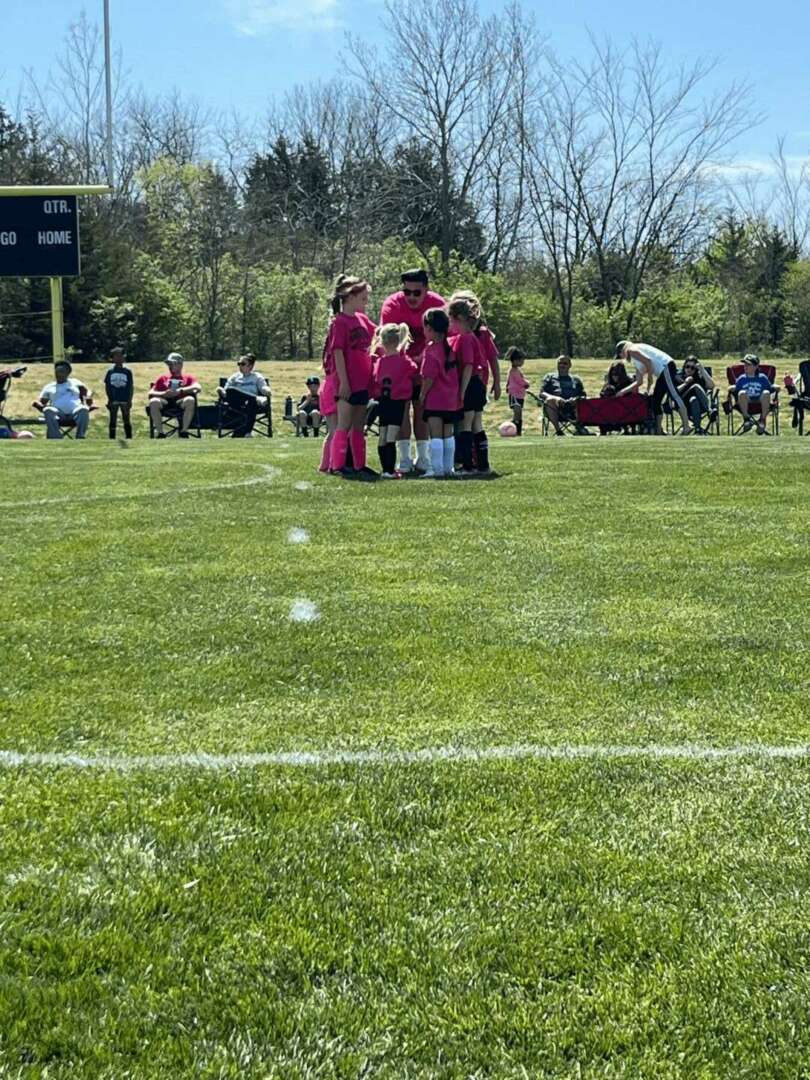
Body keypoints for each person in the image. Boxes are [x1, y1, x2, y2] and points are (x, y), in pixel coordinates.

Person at [380, 269, 446, 473]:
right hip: (401, 366)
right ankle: (405, 458)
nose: (411, 297)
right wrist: (406, 361)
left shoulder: (437, 304)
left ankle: (423, 457)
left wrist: (425, 358)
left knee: (422, 408)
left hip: (427, 366)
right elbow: (388, 340)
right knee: (401, 410)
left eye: (417, 292)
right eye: (407, 292)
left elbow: (444, 339)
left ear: (426, 289)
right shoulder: (392, 305)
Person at [325, 274, 377, 480]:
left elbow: (378, 334)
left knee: (358, 425)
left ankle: (359, 465)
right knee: (343, 423)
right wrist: (344, 383)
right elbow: (337, 353)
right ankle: (337, 465)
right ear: (350, 296)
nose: (366, 302)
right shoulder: (339, 322)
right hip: (347, 383)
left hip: (362, 382)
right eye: (362, 297)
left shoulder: (361, 319)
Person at [448, 294, 492, 477]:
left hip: (470, 385)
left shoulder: (465, 338)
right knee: (477, 425)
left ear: (459, 318)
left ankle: (467, 466)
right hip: (478, 385)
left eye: (452, 320)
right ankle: (483, 465)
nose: (451, 325)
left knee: (466, 425)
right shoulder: (472, 337)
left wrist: (462, 391)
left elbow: (468, 366)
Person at [371, 323, 418, 478]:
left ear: (382, 342)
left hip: (383, 401)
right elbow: (414, 370)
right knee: (391, 436)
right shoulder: (403, 361)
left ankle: (385, 468)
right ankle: (390, 470)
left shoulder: (380, 362)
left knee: (382, 435)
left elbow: (375, 380)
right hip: (397, 402)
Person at [616, 340, 691, 436]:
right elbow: (639, 381)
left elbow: (648, 361)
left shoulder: (631, 350)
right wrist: (622, 392)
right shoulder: (636, 360)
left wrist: (650, 377)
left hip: (666, 367)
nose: (622, 357)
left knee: (674, 395)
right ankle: (659, 431)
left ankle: (686, 426)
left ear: (623, 350)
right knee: (656, 401)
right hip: (662, 373)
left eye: (620, 355)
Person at [419, 307, 461, 478]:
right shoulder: (450, 349)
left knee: (435, 435)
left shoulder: (431, 350)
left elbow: (429, 377)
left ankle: (436, 469)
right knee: (448, 434)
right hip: (450, 399)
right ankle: (448, 468)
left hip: (435, 399)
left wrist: (422, 394)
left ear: (429, 328)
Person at [33, 361, 93, 439]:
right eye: (57, 372)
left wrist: (88, 397)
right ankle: (56, 437)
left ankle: (80, 437)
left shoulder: (75, 382)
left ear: (68, 373)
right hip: (58, 413)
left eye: (61, 372)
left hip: (74, 411)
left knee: (84, 409)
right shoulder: (49, 387)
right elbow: (41, 402)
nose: (58, 374)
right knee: (47, 410)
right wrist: (38, 404)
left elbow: (88, 391)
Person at [148, 353, 201, 438]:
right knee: (153, 401)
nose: (170, 366)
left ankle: (184, 432)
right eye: (168, 364)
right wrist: (163, 393)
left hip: (181, 402)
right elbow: (151, 392)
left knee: (190, 400)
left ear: (180, 364)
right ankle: (160, 433)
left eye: (172, 364)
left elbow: (198, 387)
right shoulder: (163, 378)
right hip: (165, 402)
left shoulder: (188, 378)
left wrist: (181, 390)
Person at [217, 353, 270, 437]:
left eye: (243, 364)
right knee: (232, 391)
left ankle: (246, 433)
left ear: (251, 366)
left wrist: (266, 390)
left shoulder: (257, 377)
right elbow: (227, 391)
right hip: (235, 403)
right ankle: (256, 398)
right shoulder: (234, 377)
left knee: (252, 403)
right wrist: (220, 390)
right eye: (239, 364)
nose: (240, 366)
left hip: (250, 404)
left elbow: (263, 387)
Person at [539, 356, 587, 435]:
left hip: (573, 408)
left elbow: (583, 395)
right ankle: (559, 431)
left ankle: (580, 428)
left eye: (565, 363)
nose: (562, 365)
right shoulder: (550, 377)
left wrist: (575, 399)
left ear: (570, 365)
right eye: (560, 363)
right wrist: (556, 398)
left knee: (582, 401)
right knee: (549, 401)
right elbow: (542, 393)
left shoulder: (576, 379)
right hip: (555, 408)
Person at [727, 354, 773, 435]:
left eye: (748, 365)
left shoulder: (762, 377)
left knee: (766, 393)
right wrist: (731, 388)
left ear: (756, 367)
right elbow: (736, 389)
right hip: (747, 401)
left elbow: (770, 388)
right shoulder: (741, 378)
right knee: (741, 393)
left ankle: (762, 420)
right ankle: (746, 419)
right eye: (745, 364)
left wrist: (776, 387)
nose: (745, 366)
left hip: (759, 400)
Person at [676, 355, 714, 435]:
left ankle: (697, 429)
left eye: (692, 368)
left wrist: (702, 370)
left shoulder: (698, 377)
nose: (689, 369)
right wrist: (685, 383)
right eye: (687, 366)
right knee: (695, 386)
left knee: (694, 399)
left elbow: (711, 386)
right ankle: (710, 411)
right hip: (683, 405)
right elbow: (675, 392)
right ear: (684, 367)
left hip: (700, 405)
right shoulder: (679, 377)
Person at [598, 361, 637, 435]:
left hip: (625, 413)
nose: (614, 376)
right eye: (613, 374)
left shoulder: (628, 384)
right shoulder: (608, 385)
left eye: (617, 374)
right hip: (611, 414)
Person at [104, 347, 134, 440]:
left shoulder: (127, 372)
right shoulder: (110, 372)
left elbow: (130, 386)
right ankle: (112, 437)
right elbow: (107, 386)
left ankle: (129, 437)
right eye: (116, 356)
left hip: (125, 399)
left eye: (121, 356)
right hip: (114, 399)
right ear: (112, 358)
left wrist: (130, 400)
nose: (119, 358)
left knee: (126, 418)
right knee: (113, 418)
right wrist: (109, 399)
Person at [505, 347, 528, 435]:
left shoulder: (517, 370)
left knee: (519, 413)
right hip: (515, 395)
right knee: (517, 412)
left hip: (520, 395)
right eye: (521, 360)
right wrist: (526, 383)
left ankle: (518, 431)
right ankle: (512, 428)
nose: (522, 362)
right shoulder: (513, 371)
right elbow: (519, 381)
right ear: (515, 360)